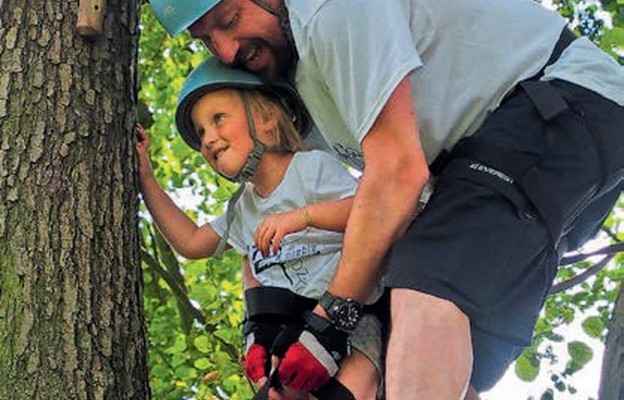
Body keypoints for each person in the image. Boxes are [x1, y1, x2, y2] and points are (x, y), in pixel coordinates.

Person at [150, 0, 624, 398]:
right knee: (415, 347)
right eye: (207, 40)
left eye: (229, 20)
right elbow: (360, 225)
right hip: (501, 167)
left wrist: (330, 319)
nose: (227, 50)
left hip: (563, 100)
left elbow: (397, 175)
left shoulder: (328, 11)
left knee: (426, 280)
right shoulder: (308, 86)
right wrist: (284, 335)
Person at [134, 57, 385, 399]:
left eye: (218, 118)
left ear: (267, 119)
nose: (208, 139)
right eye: (200, 132)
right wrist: (145, 178)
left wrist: (303, 217)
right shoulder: (242, 208)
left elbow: (370, 212)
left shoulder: (309, 169)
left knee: (351, 390)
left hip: (351, 316)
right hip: (291, 329)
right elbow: (191, 242)